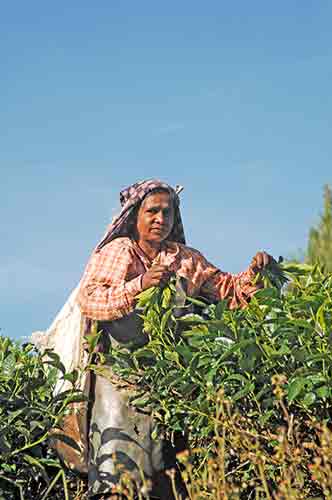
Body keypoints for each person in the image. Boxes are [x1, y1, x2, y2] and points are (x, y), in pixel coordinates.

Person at [77, 179, 274, 499]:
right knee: (116, 476)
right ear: (134, 216)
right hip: (120, 378)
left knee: (166, 481)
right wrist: (140, 283)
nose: (161, 219)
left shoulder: (186, 259)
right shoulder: (119, 251)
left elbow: (231, 293)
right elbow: (91, 300)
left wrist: (255, 273)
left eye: (168, 212)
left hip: (171, 382)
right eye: (152, 211)